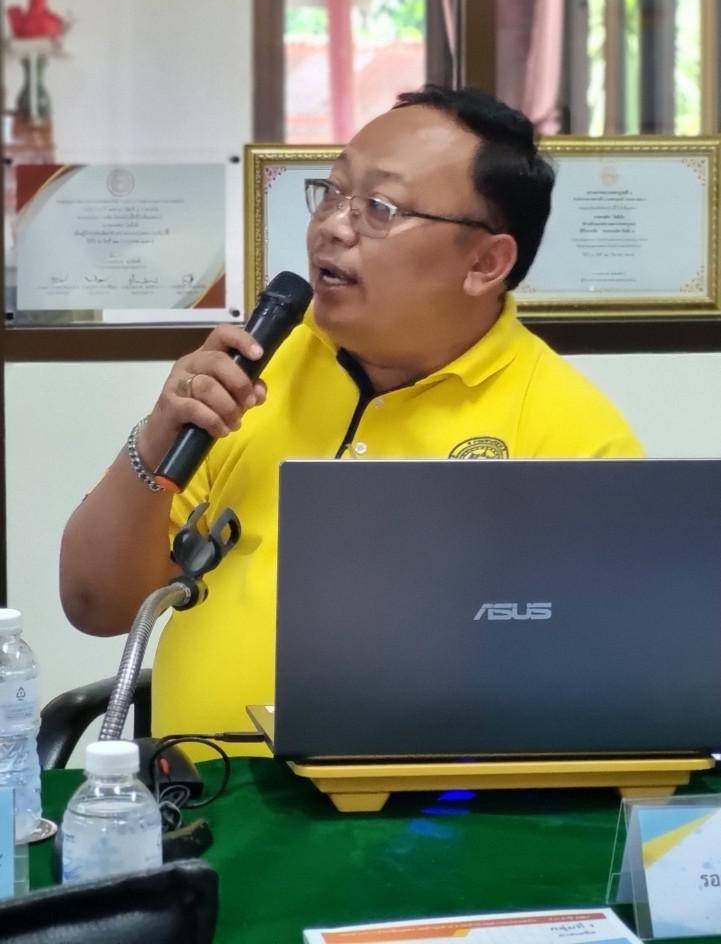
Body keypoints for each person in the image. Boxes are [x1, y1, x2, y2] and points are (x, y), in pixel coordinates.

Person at [60, 86, 643, 750]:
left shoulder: (571, 434)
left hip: (432, 802)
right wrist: (157, 437)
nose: (334, 226)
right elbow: (95, 604)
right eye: (333, 193)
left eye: (380, 208)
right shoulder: (259, 368)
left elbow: (603, 688)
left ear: (485, 263)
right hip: (203, 789)